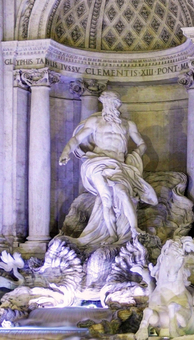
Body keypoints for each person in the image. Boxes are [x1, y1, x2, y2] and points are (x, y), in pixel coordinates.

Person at [56, 90, 156, 249]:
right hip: (97, 162)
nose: (114, 105)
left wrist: (136, 154)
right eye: (110, 102)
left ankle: (134, 229)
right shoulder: (94, 122)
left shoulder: (128, 124)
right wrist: (65, 152)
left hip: (118, 164)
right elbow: (76, 139)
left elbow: (141, 144)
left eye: (116, 102)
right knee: (106, 199)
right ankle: (111, 234)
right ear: (105, 104)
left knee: (123, 192)